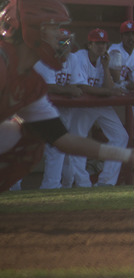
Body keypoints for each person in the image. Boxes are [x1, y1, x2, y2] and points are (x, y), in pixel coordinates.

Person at [0, 0, 134, 193]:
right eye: (53, 28)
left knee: (28, 139)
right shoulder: (3, 63)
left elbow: (64, 140)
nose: (60, 37)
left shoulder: (31, 82)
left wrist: (128, 156)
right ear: (31, 29)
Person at [64, 29, 129, 187]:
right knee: (77, 141)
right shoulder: (80, 56)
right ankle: (82, 184)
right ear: (89, 44)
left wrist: (106, 67)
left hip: (99, 104)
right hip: (82, 104)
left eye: (104, 43)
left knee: (121, 136)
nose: (102, 46)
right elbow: (82, 87)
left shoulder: (104, 59)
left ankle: (106, 182)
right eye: (98, 43)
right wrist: (110, 91)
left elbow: (108, 86)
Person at [33, 29, 83, 189]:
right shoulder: (44, 58)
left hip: (61, 110)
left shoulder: (73, 58)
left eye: (68, 41)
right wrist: (68, 90)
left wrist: (69, 89)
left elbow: (74, 85)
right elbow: (50, 87)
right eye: (61, 41)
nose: (66, 45)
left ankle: (51, 185)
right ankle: (13, 187)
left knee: (57, 148)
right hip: (35, 108)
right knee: (25, 146)